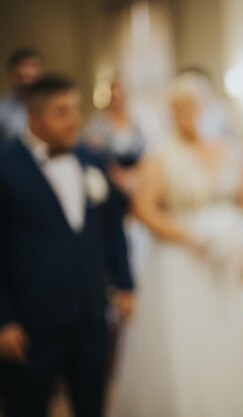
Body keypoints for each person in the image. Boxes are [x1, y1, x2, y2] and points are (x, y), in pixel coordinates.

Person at [111, 72, 243, 417]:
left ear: (207, 106)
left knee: (238, 336)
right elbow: (144, 209)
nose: (186, 115)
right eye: (178, 109)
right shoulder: (160, 156)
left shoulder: (233, 150)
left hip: (235, 262)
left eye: (192, 107)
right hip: (183, 262)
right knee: (192, 344)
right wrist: (187, 237)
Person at [0, 73, 134, 417]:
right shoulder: (6, 167)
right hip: (32, 325)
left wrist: (126, 283)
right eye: (62, 111)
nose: (74, 119)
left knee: (92, 405)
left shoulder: (92, 160)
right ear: (34, 116)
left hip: (90, 316)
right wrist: (4, 320)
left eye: (75, 109)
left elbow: (112, 229)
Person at [83, 78, 145, 198]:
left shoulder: (137, 121)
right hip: (110, 178)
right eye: (115, 98)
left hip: (135, 178)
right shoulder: (98, 123)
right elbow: (94, 152)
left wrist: (136, 174)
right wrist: (118, 176)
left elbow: (143, 150)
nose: (118, 102)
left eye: (121, 97)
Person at [0, 47, 43, 143]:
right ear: (12, 74)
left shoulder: (50, 105)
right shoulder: (3, 110)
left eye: (33, 66)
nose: (28, 71)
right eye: (22, 77)